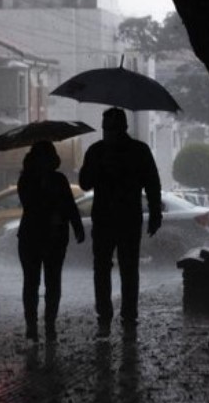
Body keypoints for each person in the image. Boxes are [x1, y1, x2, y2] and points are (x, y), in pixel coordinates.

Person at [79, 107, 162, 336]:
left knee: (110, 268)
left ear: (120, 128)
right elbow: (153, 185)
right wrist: (155, 213)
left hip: (112, 219)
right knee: (123, 268)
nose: (108, 132)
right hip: (122, 219)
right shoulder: (138, 150)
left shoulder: (99, 151)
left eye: (110, 128)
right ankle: (123, 315)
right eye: (106, 128)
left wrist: (156, 213)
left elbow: (152, 185)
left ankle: (112, 315)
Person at [16, 140, 85, 344]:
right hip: (33, 237)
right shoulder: (27, 180)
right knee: (32, 282)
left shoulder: (59, 179)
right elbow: (30, 204)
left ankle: (49, 325)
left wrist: (77, 227)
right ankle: (32, 326)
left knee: (51, 283)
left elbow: (70, 206)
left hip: (52, 238)